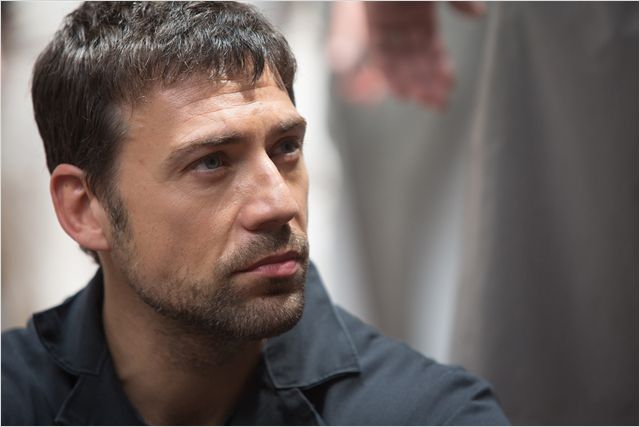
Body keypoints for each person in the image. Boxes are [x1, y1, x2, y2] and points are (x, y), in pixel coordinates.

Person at [1, 2, 509, 425]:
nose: (280, 204)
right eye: (212, 162)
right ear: (85, 209)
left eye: (286, 148)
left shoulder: (433, 415)